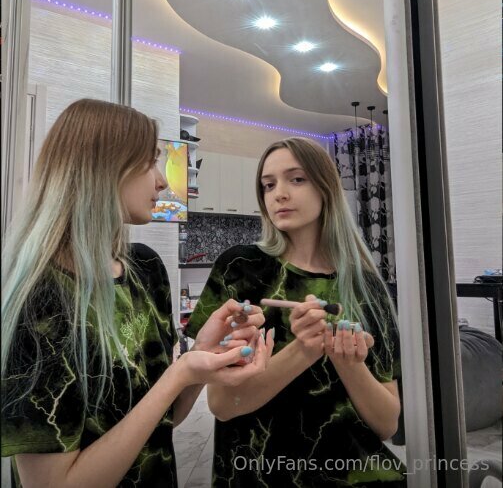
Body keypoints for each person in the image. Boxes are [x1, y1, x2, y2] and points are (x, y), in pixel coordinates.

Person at [1, 99, 273, 488]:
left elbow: (166, 419)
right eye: (149, 162)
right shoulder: (39, 301)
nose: (162, 181)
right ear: (101, 168)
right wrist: (179, 373)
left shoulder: (146, 269)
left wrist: (201, 354)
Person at [186, 137, 406, 487]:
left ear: (326, 187)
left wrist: (348, 363)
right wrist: (304, 350)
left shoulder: (365, 286)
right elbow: (224, 405)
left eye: (296, 179)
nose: (279, 194)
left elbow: (386, 424)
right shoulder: (241, 268)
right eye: (268, 185)